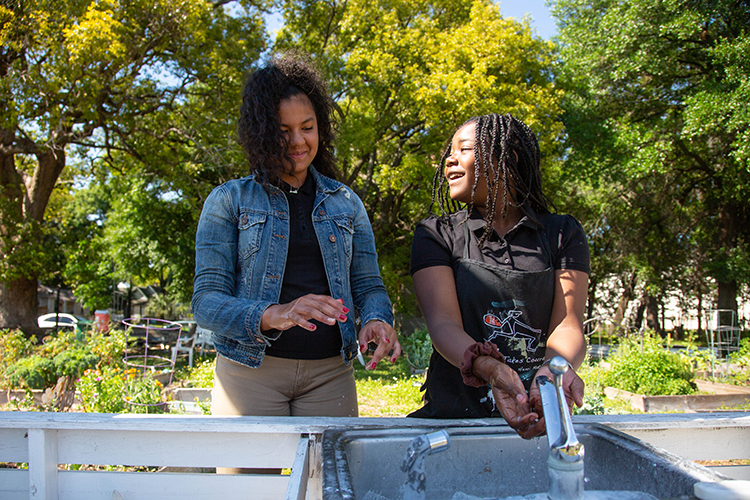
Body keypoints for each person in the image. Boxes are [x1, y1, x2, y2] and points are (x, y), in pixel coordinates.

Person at [191, 52, 401, 424]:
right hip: (249, 373)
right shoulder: (228, 200)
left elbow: (369, 285)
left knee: (331, 482)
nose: (297, 141)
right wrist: (276, 313)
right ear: (262, 133)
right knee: (248, 485)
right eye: (282, 130)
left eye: (307, 127)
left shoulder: (346, 202)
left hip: (330, 376)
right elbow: (207, 302)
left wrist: (376, 320)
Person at [408, 113, 589, 438]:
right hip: (452, 421)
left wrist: (552, 376)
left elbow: (568, 324)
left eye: (463, 149)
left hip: (536, 416)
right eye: (449, 152)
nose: (449, 160)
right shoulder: (437, 234)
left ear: (508, 158)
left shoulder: (562, 234)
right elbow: (443, 325)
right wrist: (490, 369)